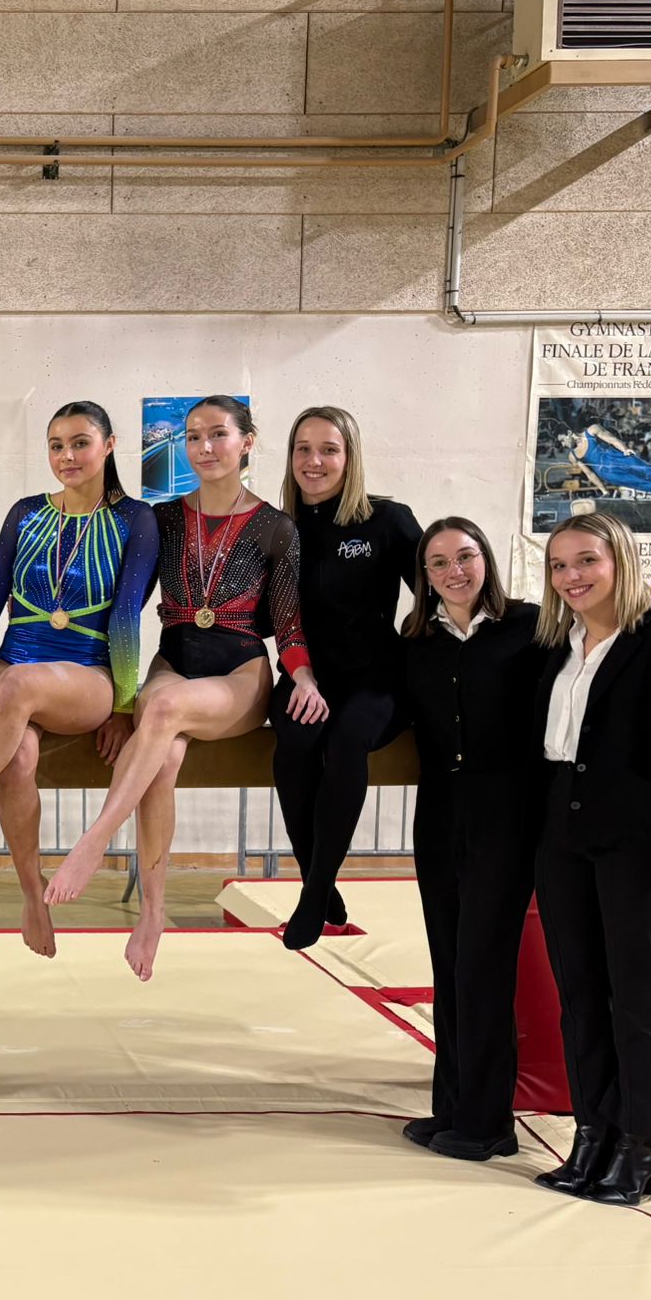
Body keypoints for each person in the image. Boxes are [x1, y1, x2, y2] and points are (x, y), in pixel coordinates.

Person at [44, 396, 319, 980]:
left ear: (247, 442)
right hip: (175, 658)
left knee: (164, 706)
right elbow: (124, 609)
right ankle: (153, 912)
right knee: (162, 755)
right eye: (193, 436)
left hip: (240, 671)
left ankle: (94, 842)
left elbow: (290, 623)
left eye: (218, 434)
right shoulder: (162, 519)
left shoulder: (276, 527)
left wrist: (303, 676)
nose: (204, 447)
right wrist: (115, 698)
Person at [0, 401, 159, 959]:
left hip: (86, 670)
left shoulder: (136, 519)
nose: (67, 456)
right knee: (14, 759)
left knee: (17, 685)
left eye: (80, 443)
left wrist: (124, 705)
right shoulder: (26, 512)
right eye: (56, 445)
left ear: (109, 446)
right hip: (13, 660)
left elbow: (126, 614)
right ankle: (31, 893)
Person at [529, 512, 651, 1207]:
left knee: (635, 990)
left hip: (639, 839)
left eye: (587, 560)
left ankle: (641, 1144)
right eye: (559, 565)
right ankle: (593, 1132)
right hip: (563, 835)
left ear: (620, 561)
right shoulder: (558, 645)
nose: (572, 576)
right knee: (579, 992)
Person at [400, 517, 544, 1162]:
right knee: (449, 962)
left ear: (485, 558)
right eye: (438, 563)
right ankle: (453, 1107)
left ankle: (488, 1123)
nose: (454, 571)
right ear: (425, 577)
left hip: (504, 818)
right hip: (439, 816)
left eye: (465, 556)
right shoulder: (417, 641)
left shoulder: (531, 628)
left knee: (483, 966)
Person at [270, 405, 422, 949]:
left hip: (375, 678)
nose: (314, 461)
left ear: (350, 457)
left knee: (345, 739)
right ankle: (318, 877)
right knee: (294, 741)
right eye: (303, 449)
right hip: (305, 673)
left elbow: (439, 593)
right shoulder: (280, 527)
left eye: (329, 450)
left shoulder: (388, 519)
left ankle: (313, 896)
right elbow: (270, 614)